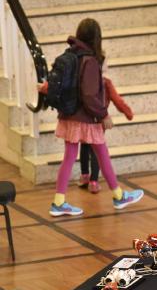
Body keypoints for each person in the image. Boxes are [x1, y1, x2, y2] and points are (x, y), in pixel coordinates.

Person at [46, 18, 143, 216]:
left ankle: (59, 202)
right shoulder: (89, 61)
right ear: (97, 38)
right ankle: (118, 196)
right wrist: (104, 114)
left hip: (69, 115)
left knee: (69, 158)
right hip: (87, 118)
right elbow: (90, 94)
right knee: (102, 154)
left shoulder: (71, 54)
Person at [40, 68, 135, 194]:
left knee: (82, 148)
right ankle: (94, 182)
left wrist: (44, 87)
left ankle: (84, 176)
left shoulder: (78, 79)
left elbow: (58, 86)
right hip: (96, 122)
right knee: (97, 152)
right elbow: (118, 100)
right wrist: (128, 113)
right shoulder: (105, 82)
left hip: (79, 121)